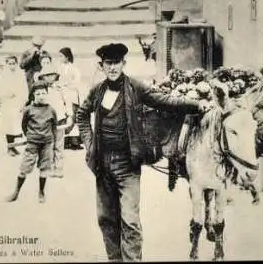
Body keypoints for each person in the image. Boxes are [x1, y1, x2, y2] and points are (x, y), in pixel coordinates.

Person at [76, 43, 209, 261]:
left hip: (127, 164)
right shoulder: (97, 91)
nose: (112, 68)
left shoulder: (136, 87)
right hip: (102, 164)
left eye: (116, 63)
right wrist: (89, 144)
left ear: (123, 64)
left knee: (130, 220)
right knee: (106, 219)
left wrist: (195, 104)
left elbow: (165, 101)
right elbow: (81, 115)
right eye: (108, 63)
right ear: (101, 66)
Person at [6, 81, 57, 204]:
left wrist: (51, 141)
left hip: (47, 143)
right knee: (25, 167)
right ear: (33, 95)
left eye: (43, 93)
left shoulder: (51, 110)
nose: (41, 96)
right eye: (38, 93)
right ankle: (16, 192)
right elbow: (24, 125)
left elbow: (54, 127)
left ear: (47, 94)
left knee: (44, 168)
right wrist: (30, 136)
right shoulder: (28, 110)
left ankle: (41, 192)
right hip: (32, 143)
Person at [37, 66, 73, 178]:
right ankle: (49, 167)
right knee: (48, 145)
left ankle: (59, 168)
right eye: (47, 75)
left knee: (59, 145)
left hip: (60, 119)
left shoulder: (60, 89)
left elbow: (67, 102)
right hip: (46, 120)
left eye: (52, 75)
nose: (50, 77)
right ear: (42, 77)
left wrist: (70, 115)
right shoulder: (41, 91)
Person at [0, 55, 29, 156]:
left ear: (16, 64)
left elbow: (24, 87)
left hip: (17, 101)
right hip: (7, 102)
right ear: (6, 64)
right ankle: (10, 147)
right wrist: (6, 94)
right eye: (9, 64)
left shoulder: (20, 74)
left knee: (16, 125)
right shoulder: (3, 75)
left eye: (13, 63)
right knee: (8, 125)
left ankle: (14, 146)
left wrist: (24, 100)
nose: (12, 66)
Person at [58, 47, 83, 150]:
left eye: (61, 56)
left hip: (72, 95)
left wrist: (67, 83)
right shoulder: (59, 68)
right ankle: (64, 141)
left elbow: (77, 82)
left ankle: (74, 141)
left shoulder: (74, 68)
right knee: (64, 118)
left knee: (73, 117)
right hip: (62, 95)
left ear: (67, 57)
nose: (60, 58)